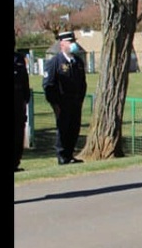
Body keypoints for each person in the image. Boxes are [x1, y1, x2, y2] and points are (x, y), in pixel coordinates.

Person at [42, 30, 87, 165]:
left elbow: (82, 83)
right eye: (70, 42)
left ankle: (70, 154)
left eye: (73, 41)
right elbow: (48, 84)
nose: (73, 44)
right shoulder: (55, 62)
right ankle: (62, 156)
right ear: (62, 44)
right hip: (62, 103)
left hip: (75, 102)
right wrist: (55, 104)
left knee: (74, 128)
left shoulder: (77, 62)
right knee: (63, 129)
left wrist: (80, 100)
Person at [14, 32, 31, 172]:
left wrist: (26, 98)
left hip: (18, 101)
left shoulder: (19, 59)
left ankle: (15, 163)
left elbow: (25, 81)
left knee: (19, 133)